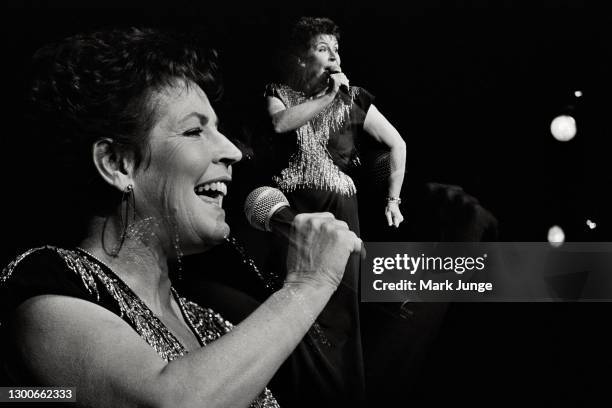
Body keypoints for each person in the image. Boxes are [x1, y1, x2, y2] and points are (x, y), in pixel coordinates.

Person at [0, 27, 362, 408]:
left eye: (220, 130)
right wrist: (308, 283)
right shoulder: (45, 301)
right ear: (117, 163)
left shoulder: (214, 322)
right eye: (194, 131)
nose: (232, 152)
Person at [261, 16, 406, 406]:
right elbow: (279, 125)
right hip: (296, 214)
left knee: (341, 312)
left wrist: (393, 200)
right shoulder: (279, 93)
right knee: (295, 303)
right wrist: (327, 97)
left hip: (342, 208)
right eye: (322, 49)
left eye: (336, 49)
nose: (333, 56)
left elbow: (398, 144)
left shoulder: (356, 97)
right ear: (300, 58)